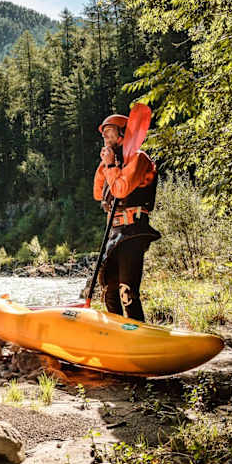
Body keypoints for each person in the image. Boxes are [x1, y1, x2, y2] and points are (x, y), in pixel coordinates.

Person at [93, 113, 161, 322]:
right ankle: (117, 333)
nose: (105, 137)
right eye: (103, 134)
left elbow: (121, 190)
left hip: (133, 230)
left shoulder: (139, 158)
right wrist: (107, 165)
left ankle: (137, 332)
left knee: (126, 289)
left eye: (109, 132)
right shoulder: (114, 162)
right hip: (114, 233)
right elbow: (98, 193)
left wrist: (112, 166)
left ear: (123, 133)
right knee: (109, 290)